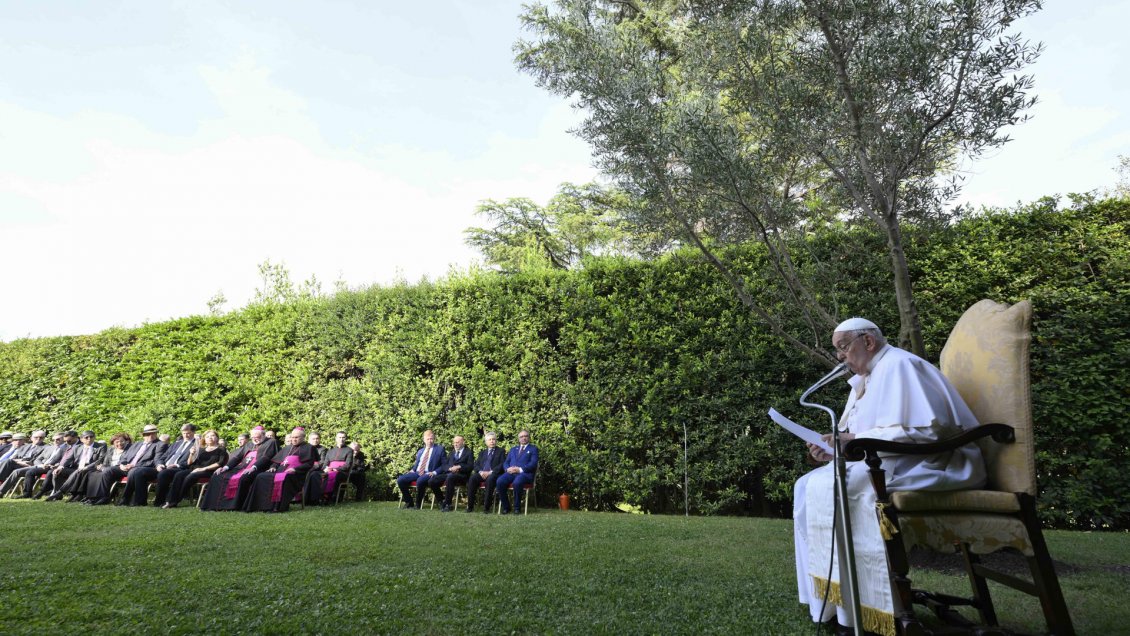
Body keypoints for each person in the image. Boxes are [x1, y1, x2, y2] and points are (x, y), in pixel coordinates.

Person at [793, 318, 986, 635]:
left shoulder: (901, 366)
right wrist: (832, 451)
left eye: (843, 347)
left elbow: (928, 431)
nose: (840, 356)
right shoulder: (866, 379)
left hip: (935, 463)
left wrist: (853, 440)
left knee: (844, 488)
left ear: (868, 342)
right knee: (806, 485)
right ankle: (833, 604)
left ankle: (870, 611)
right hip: (893, 461)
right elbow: (859, 439)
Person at [198, 426, 278, 511]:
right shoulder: (249, 444)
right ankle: (213, 505)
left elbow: (266, 457)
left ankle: (233, 506)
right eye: (253, 437)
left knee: (243, 478)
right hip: (241, 468)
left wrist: (253, 467)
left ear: (263, 435)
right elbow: (238, 457)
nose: (255, 439)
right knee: (217, 475)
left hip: (258, 468)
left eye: (257, 437)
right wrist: (225, 467)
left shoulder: (271, 442)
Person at [244, 427, 318, 513]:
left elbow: (309, 464)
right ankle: (260, 505)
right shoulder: (287, 448)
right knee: (261, 476)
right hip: (279, 472)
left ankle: (277, 507)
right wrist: (273, 467)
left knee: (284, 479)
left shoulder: (309, 448)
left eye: (296, 437)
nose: (294, 439)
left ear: (303, 437)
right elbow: (277, 461)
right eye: (292, 437)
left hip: (296, 475)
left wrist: (295, 469)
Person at [88, 424, 167, 506]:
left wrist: (133, 466)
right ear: (143, 435)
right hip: (129, 468)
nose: (151, 436)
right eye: (148, 434)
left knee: (134, 471)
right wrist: (122, 464)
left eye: (153, 433)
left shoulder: (160, 444)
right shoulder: (137, 444)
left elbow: (156, 460)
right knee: (108, 470)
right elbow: (125, 457)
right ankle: (103, 497)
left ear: (156, 434)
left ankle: (128, 499)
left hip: (147, 469)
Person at [163, 429, 227, 508]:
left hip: (209, 471)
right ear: (204, 439)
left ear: (217, 437)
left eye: (212, 436)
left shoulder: (221, 449)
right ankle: (169, 500)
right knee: (179, 475)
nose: (210, 438)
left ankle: (174, 501)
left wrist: (203, 469)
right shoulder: (201, 449)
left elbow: (220, 463)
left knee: (190, 476)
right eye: (207, 437)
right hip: (195, 469)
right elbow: (190, 462)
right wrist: (191, 454)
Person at [1, 431, 70, 498]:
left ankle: (2, 491)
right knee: (7, 462)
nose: (55, 441)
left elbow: (64, 460)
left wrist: (51, 465)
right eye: (36, 437)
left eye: (41, 437)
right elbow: (38, 459)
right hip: (39, 465)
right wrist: (40, 464)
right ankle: (25, 493)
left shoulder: (47, 447)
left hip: (39, 466)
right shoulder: (50, 448)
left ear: (64, 439)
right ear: (31, 438)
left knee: (17, 470)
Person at [45, 431, 105, 501]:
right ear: (81, 439)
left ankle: (61, 492)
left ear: (94, 437)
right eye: (86, 437)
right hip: (77, 467)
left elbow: (100, 460)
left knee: (78, 472)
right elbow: (69, 459)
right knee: (58, 472)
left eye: (91, 437)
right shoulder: (77, 447)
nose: (89, 439)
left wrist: (87, 467)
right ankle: (58, 493)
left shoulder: (101, 447)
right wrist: (61, 466)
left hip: (90, 468)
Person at [149, 424, 200, 507]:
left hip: (180, 468)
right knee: (141, 471)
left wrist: (176, 465)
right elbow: (163, 456)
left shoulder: (196, 444)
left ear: (194, 432)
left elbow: (193, 461)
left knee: (163, 474)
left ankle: (160, 501)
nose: (185, 435)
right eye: (184, 433)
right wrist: (159, 464)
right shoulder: (176, 444)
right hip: (164, 466)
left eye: (188, 433)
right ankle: (141, 501)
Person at [396, 430, 445, 509]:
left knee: (420, 480)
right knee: (400, 480)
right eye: (428, 439)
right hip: (417, 472)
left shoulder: (440, 449)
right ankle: (409, 502)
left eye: (431, 439)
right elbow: (417, 464)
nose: (430, 441)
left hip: (429, 473)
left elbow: (444, 465)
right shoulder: (420, 451)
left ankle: (418, 504)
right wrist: (413, 470)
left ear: (434, 439)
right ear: (424, 440)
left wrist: (435, 472)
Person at [495, 430, 538, 515]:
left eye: (525, 436)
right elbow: (506, 462)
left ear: (529, 437)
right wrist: (507, 469)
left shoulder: (533, 449)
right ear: (518, 439)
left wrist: (520, 469)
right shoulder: (513, 449)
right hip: (511, 473)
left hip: (525, 474)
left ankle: (517, 508)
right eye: (521, 437)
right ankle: (506, 507)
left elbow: (533, 464)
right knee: (500, 481)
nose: (524, 438)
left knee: (517, 482)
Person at [305, 431, 353, 505]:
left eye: (343, 437)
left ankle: (328, 498)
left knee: (333, 475)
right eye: (339, 437)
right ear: (336, 438)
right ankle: (313, 499)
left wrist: (335, 469)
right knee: (314, 474)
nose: (341, 439)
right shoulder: (330, 451)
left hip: (341, 472)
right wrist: (325, 469)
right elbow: (325, 464)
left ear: (346, 438)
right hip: (329, 470)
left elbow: (347, 465)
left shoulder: (349, 450)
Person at [80, 433, 131, 503]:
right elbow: (104, 462)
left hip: (122, 469)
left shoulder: (130, 449)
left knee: (107, 470)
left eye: (122, 441)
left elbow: (127, 461)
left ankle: (104, 497)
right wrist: (101, 467)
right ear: (113, 443)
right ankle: (91, 497)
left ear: (126, 441)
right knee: (92, 473)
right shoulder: (111, 449)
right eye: (117, 442)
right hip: (109, 469)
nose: (119, 443)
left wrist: (105, 468)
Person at [28, 430, 79, 499]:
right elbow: (56, 458)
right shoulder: (65, 446)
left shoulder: (81, 446)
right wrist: (49, 464)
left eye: (69, 441)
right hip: (60, 467)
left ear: (75, 438)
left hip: (73, 467)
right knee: (35, 472)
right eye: (65, 441)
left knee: (53, 472)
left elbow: (73, 459)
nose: (67, 443)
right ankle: (44, 492)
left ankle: (45, 492)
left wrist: (60, 466)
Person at [465, 431, 506, 513]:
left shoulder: (501, 451)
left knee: (490, 480)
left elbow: (502, 464)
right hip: (482, 473)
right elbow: (476, 465)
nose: (492, 441)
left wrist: (490, 472)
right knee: (472, 478)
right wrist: (480, 472)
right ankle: (470, 507)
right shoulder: (482, 452)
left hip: (493, 474)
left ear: (496, 441)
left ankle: (486, 508)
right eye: (489, 440)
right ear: (486, 442)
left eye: (493, 439)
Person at [430, 435, 472, 512]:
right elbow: (444, 465)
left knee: (450, 478)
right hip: (449, 473)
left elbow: (470, 466)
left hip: (462, 476)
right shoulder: (452, 452)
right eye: (454, 442)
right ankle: (442, 501)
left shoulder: (468, 452)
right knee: (432, 481)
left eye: (457, 442)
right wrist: (449, 468)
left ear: (463, 442)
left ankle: (448, 504)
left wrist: (459, 467)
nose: (455, 444)